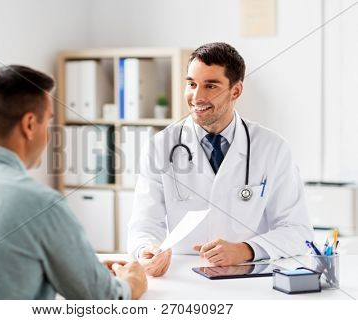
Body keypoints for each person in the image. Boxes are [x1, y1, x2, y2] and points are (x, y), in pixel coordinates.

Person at [0, 65, 147, 299]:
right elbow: (104, 300)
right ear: (29, 125)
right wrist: (132, 282)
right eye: (48, 123)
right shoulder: (39, 203)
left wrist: (85, 269)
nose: (48, 135)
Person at [128, 43, 314, 277]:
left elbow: (298, 230)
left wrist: (246, 250)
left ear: (235, 91)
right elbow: (143, 224)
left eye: (210, 86)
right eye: (192, 84)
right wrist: (147, 249)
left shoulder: (272, 147)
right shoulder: (160, 146)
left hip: (248, 277)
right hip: (182, 276)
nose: (197, 97)